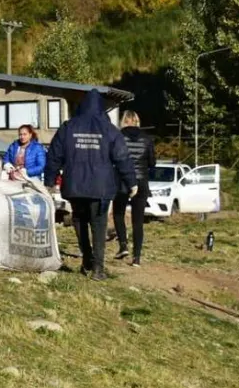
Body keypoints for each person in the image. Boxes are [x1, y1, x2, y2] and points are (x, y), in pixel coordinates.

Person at [44, 89, 137, 281]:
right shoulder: (110, 130)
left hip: (74, 184)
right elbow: (122, 158)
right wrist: (131, 182)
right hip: (101, 187)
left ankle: (86, 258)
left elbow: (54, 155)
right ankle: (98, 269)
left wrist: (50, 181)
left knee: (79, 220)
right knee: (99, 224)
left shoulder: (68, 127)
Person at [112, 110, 155, 266]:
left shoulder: (117, 137)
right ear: (137, 121)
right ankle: (137, 257)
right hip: (142, 181)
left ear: (123, 121)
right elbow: (152, 163)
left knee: (118, 213)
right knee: (138, 221)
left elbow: (113, 157)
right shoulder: (147, 138)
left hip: (122, 180)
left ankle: (123, 244)